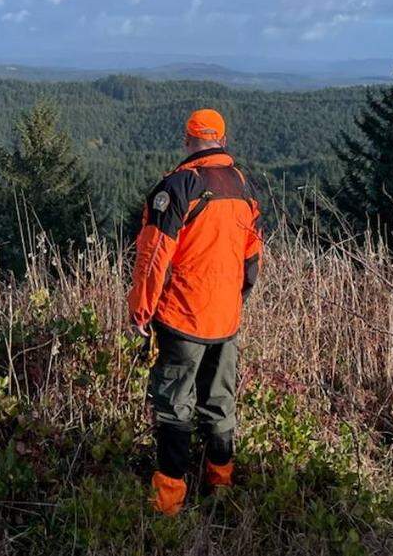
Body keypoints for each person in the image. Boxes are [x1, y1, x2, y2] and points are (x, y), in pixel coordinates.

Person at [127, 109, 263, 516]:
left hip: (183, 317)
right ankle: (220, 488)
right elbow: (252, 258)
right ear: (221, 138)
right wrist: (237, 301)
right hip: (226, 320)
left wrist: (141, 311)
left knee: (173, 407)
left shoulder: (177, 186)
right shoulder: (243, 186)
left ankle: (168, 503)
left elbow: (153, 258)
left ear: (188, 140)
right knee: (220, 404)